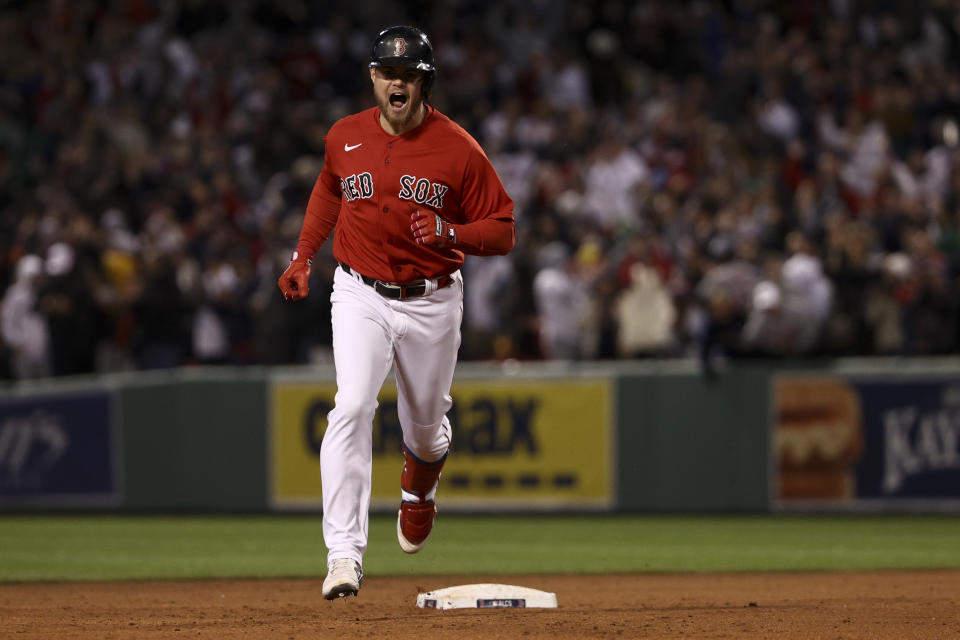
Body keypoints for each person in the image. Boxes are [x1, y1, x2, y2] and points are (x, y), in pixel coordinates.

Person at [277, 25, 515, 600]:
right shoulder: (345, 135)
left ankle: (420, 490)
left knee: (427, 433)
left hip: (432, 299)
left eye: (408, 75)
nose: (397, 83)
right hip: (358, 291)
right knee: (352, 406)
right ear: (373, 78)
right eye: (388, 74)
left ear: (425, 81)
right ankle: (343, 556)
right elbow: (330, 190)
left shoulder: (457, 146)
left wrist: (451, 231)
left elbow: (503, 228)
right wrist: (303, 254)